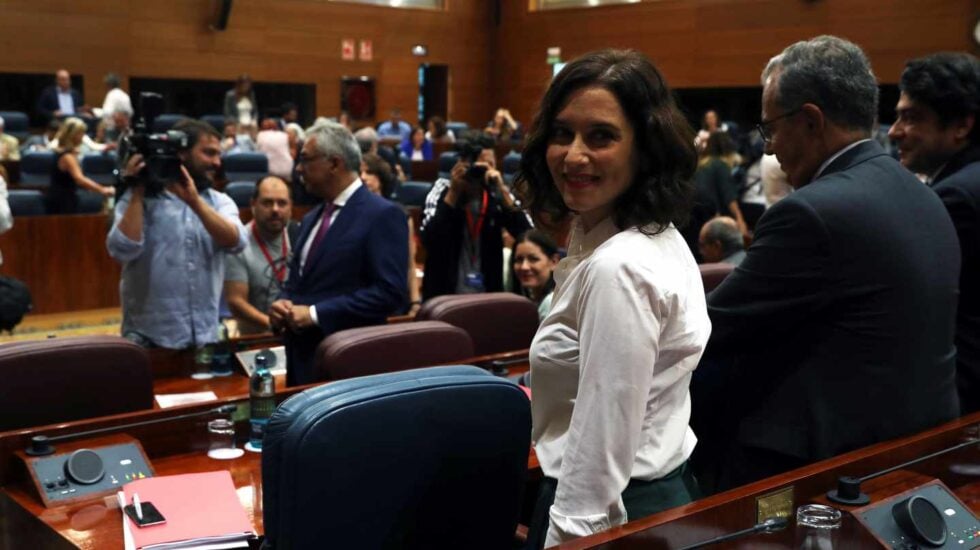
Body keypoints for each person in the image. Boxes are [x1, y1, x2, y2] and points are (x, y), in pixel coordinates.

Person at [705, 36, 960, 488]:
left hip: (826, 468)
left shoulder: (812, 212)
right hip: (918, 448)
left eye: (770, 130)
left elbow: (712, 329)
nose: (767, 149)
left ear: (809, 121)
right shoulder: (923, 195)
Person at [516, 49, 708, 548]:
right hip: (659, 493)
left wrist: (568, 539)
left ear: (644, 148)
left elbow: (598, 450)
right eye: (562, 134)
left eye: (600, 136)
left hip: (608, 513)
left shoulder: (618, 267)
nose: (573, 155)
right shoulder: (653, 234)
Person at [269, 121, 407, 386]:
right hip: (301, 362)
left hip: (348, 366)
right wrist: (283, 302)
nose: (298, 169)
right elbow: (300, 282)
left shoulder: (382, 215)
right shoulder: (311, 218)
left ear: (334, 163)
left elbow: (389, 293)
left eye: (306, 160)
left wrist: (314, 314)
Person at [888, 52, 980, 413]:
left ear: (961, 126)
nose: (895, 131)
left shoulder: (956, 196)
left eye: (911, 118)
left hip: (962, 395)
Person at [107, 119, 246, 349]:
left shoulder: (220, 202)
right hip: (149, 338)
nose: (217, 162)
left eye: (218, 155)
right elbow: (122, 250)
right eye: (209, 153)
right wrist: (138, 189)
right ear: (181, 154)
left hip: (205, 336)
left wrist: (194, 202)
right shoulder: (141, 201)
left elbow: (236, 241)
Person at [420, 132, 532, 299]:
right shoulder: (442, 190)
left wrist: (502, 192)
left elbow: (528, 234)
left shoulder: (496, 193)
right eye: (477, 165)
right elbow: (429, 240)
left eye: (489, 164)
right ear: (461, 164)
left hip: (487, 295)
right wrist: (454, 193)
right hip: (444, 296)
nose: (482, 170)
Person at [224, 175, 297, 335]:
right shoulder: (238, 244)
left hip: (296, 335)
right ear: (253, 205)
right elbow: (236, 302)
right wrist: (274, 326)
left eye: (282, 203)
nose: (275, 209)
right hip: (256, 340)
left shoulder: (299, 236)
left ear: (291, 207)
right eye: (267, 203)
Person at [361, 152, 422, 314]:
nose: (363, 177)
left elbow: (409, 261)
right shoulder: (352, 213)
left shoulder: (400, 214)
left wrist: (415, 302)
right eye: (360, 173)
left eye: (369, 172)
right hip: (362, 299)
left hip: (396, 299)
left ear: (380, 177)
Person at [686, 131, 749, 260]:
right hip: (713, 220)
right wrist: (740, 221)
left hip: (694, 220)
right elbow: (729, 197)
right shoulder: (721, 165)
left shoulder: (701, 164)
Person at [47, 117, 115, 214]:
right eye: (81, 133)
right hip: (63, 202)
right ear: (73, 135)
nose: (83, 137)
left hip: (63, 198)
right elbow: (79, 179)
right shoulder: (67, 156)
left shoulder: (62, 151)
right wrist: (103, 189)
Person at [511, 230, 560, 321]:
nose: (524, 267)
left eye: (533, 259)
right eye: (519, 260)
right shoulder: (536, 301)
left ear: (554, 262)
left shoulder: (550, 303)